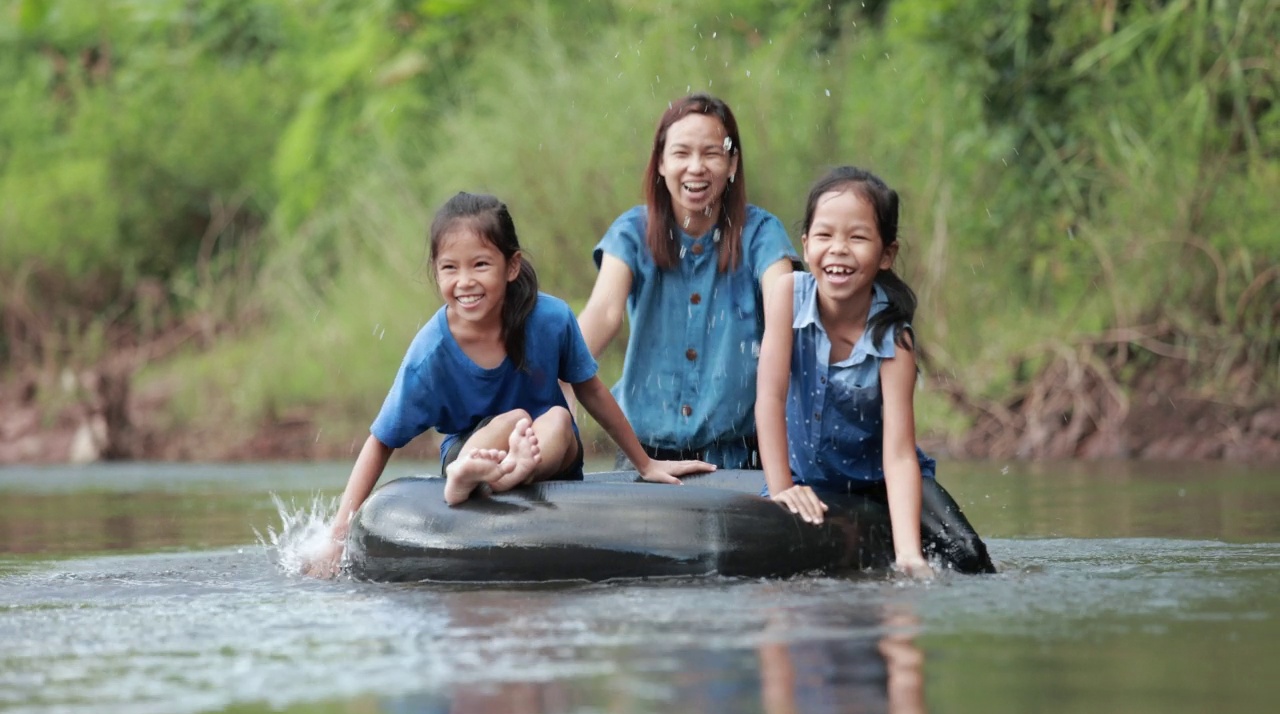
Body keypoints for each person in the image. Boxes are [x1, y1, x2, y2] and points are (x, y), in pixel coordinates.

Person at [308, 192, 714, 578]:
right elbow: (381, 440)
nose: (465, 281)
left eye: (480, 265)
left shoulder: (551, 319)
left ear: (512, 265)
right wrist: (338, 537)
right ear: (436, 272)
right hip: (474, 450)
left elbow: (591, 391)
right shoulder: (430, 353)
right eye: (450, 268)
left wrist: (645, 463)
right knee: (512, 419)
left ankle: (505, 475)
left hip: (546, 454)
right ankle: (475, 476)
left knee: (555, 417)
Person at [755, 166, 995, 576]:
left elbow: (900, 455)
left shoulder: (893, 340)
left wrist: (907, 555)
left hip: (880, 482)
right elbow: (770, 398)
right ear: (807, 243)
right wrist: (782, 489)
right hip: (806, 476)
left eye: (858, 237)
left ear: (887, 254)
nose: (839, 249)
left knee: (970, 557)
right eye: (825, 235)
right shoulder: (787, 295)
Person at [575, 93, 799, 470]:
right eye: (681, 153)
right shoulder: (632, 232)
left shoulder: (762, 233)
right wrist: (551, 377)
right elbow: (605, 312)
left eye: (711, 153)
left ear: (732, 163)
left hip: (738, 462)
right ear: (661, 163)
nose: (696, 167)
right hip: (642, 458)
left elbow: (785, 303)